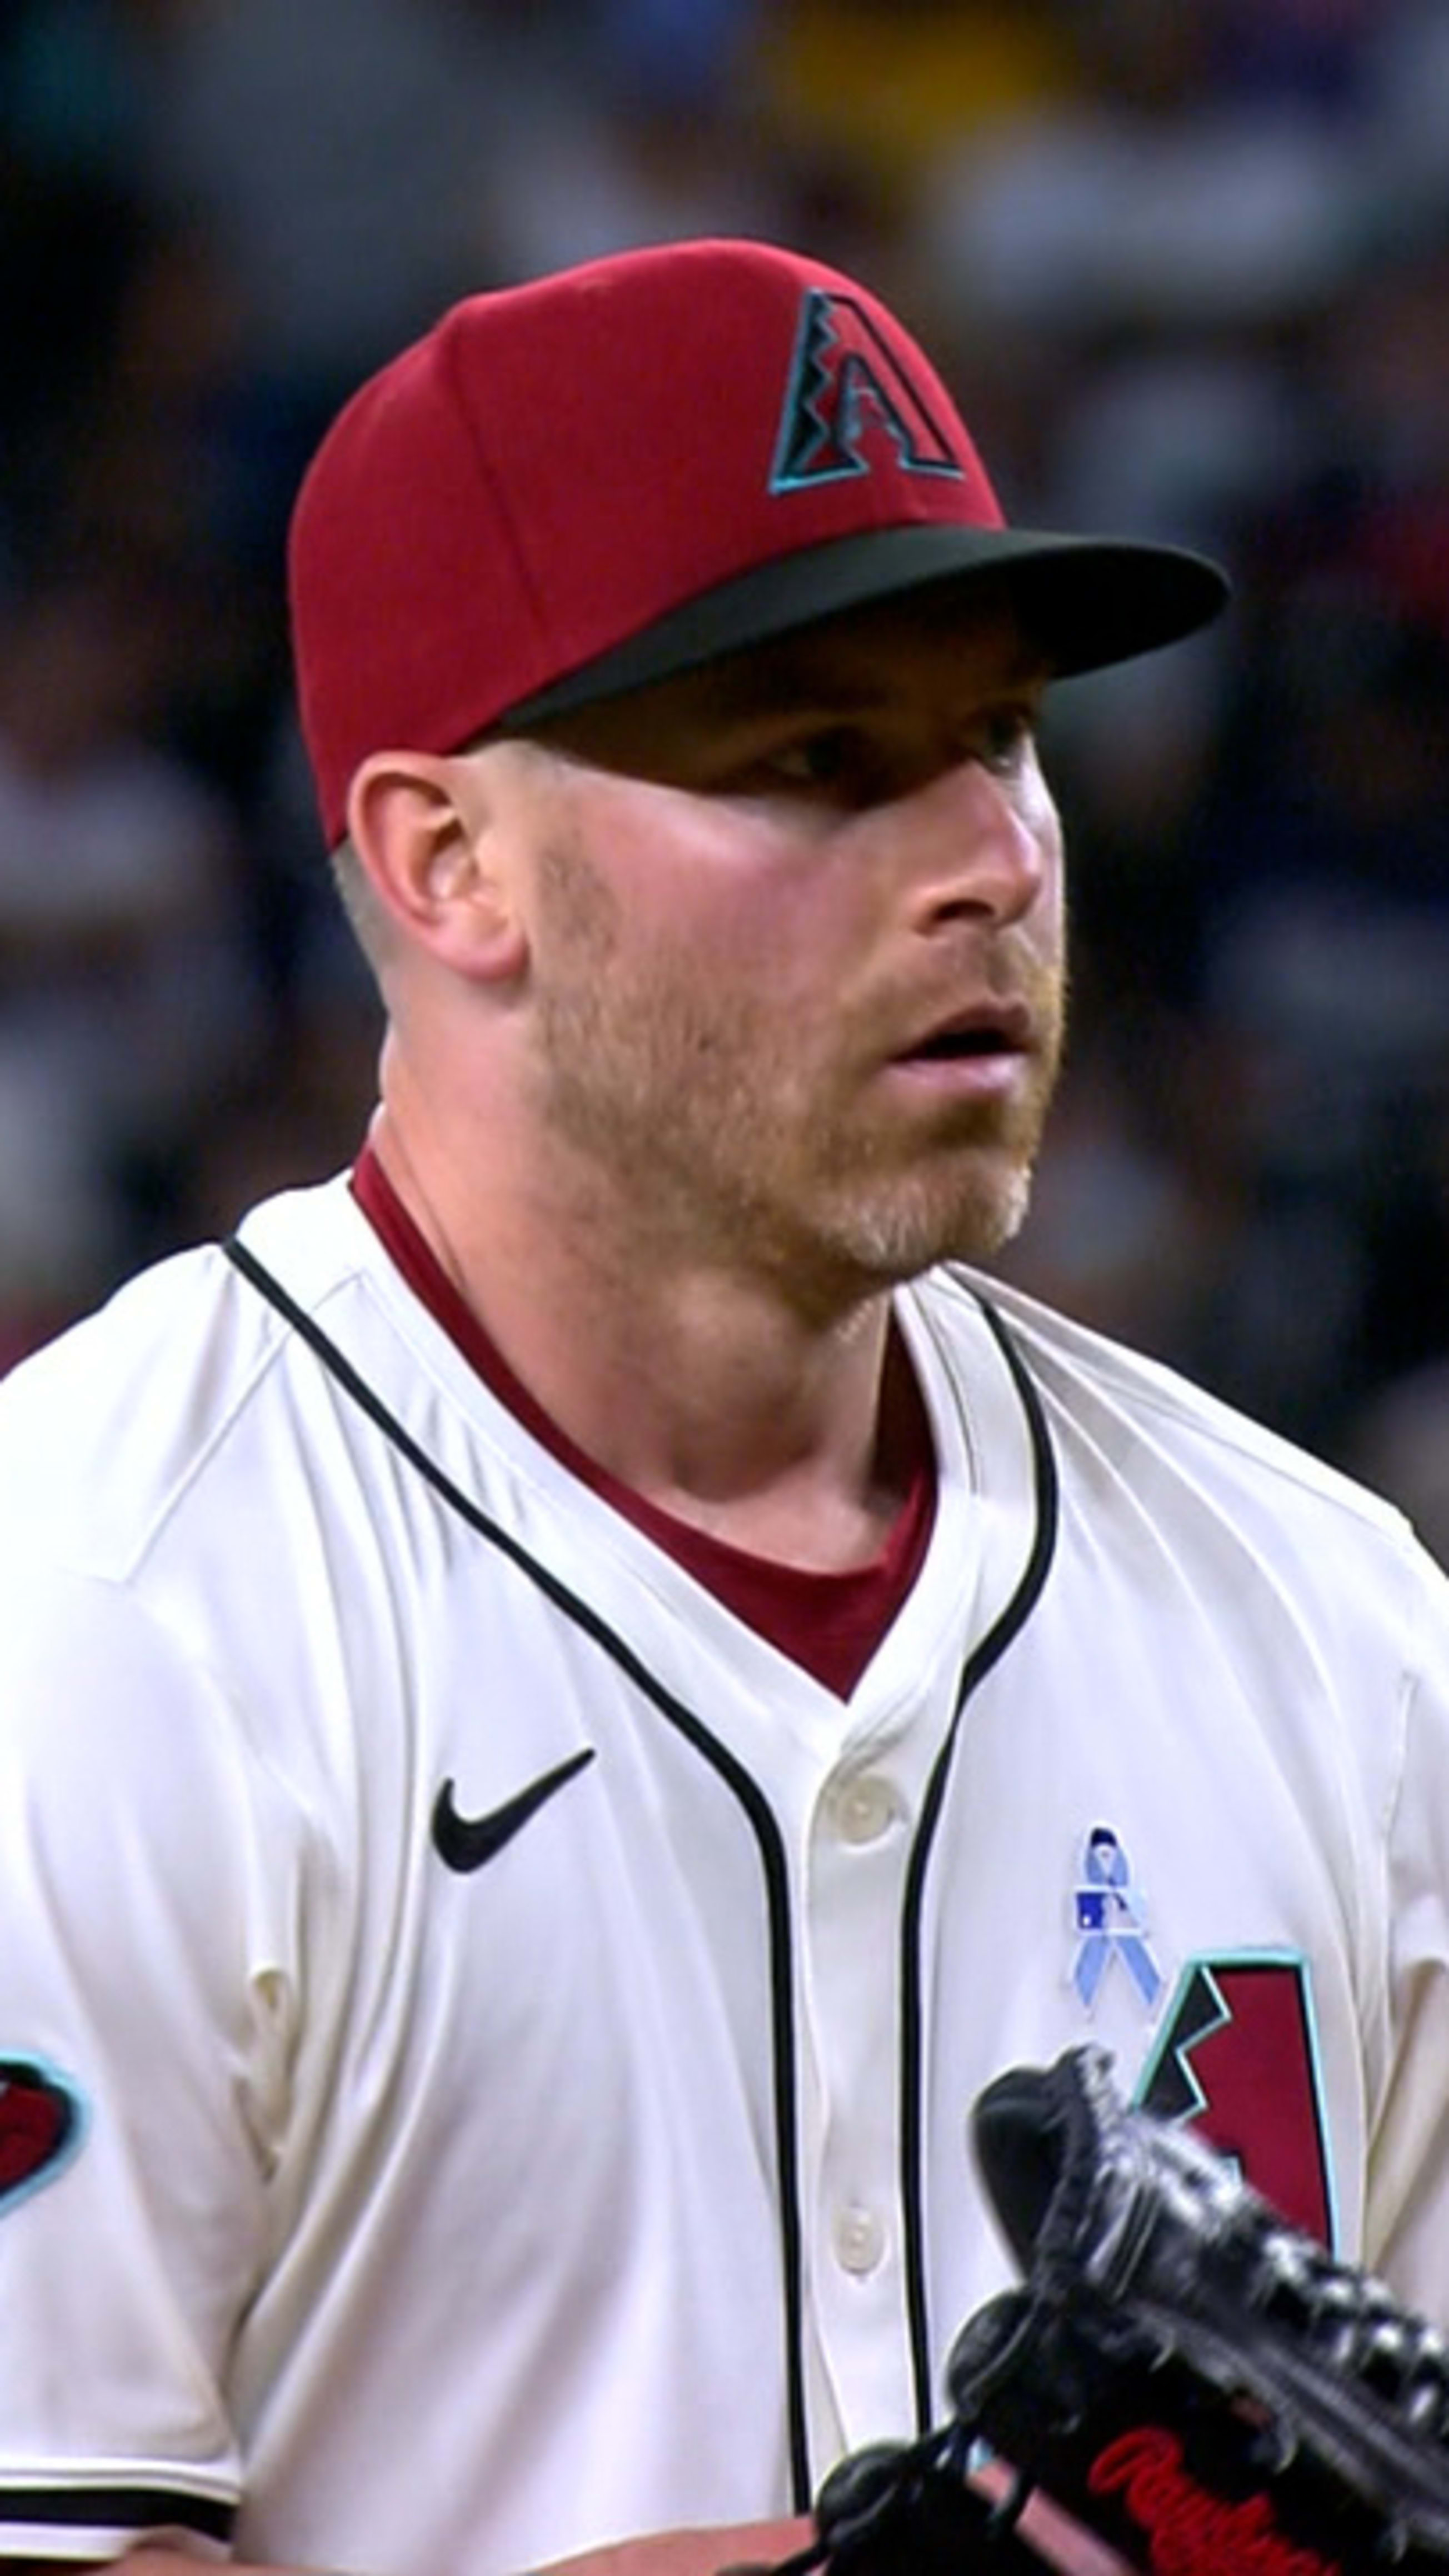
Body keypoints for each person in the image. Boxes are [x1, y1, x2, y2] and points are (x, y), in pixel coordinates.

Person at [1, 234, 1447, 2576]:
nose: (992, 863)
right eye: (817, 760)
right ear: (449, 863)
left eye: (1001, 739)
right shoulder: (94, 1603)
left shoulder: (1331, 1626)